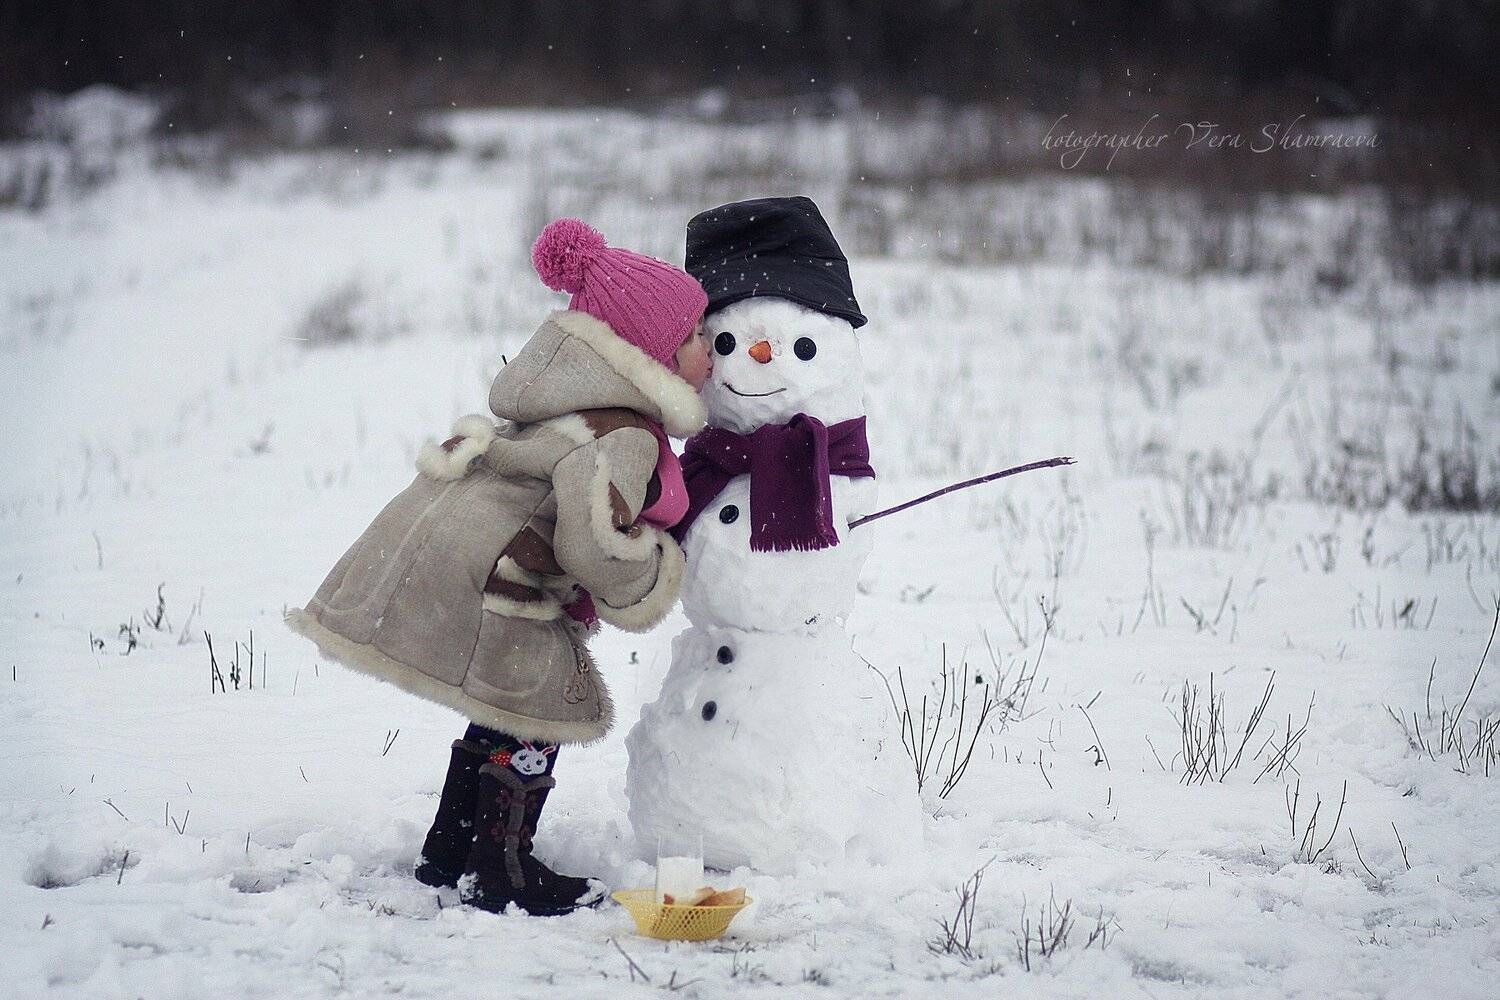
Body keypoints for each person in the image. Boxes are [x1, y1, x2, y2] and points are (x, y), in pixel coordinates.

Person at [286, 218, 711, 915]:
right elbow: (593, 544)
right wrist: (653, 569)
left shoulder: (563, 400)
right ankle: (500, 869)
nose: (710, 349)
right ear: (653, 356)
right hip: (499, 577)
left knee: (502, 706)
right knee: (538, 707)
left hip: (448, 554)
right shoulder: (626, 435)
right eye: (694, 336)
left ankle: (449, 851)